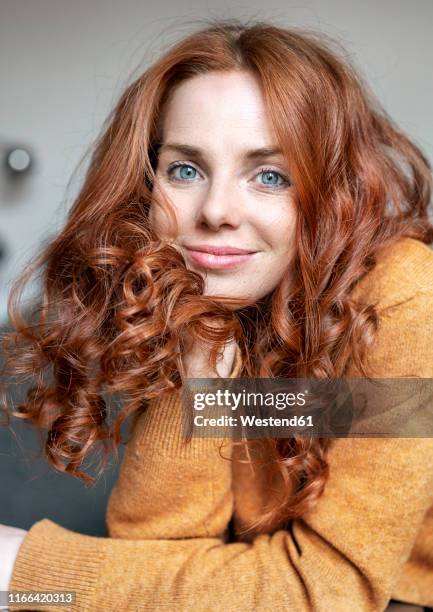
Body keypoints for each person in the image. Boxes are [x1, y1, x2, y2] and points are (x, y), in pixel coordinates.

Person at [1, 18, 433, 612]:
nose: (216, 211)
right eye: (186, 169)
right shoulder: (203, 289)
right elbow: (158, 550)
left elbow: (331, 589)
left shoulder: (405, 296)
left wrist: (26, 571)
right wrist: (202, 357)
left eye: (269, 175)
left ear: (332, 189)